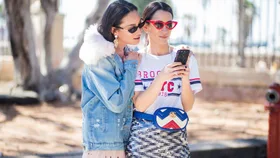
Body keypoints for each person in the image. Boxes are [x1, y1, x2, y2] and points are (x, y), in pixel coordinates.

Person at [126, 1, 202, 158]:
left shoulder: (185, 57)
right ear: (146, 27)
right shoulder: (137, 59)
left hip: (176, 138)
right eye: (159, 24)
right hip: (143, 139)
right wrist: (162, 77)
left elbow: (187, 106)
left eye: (169, 24)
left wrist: (185, 78)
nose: (165, 29)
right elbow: (139, 105)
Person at [79, 0, 143, 157]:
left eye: (140, 25)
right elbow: (117, 102)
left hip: (125, 141)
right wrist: (131, 65)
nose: (139, 31)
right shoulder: (99, 58)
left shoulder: (130, 54)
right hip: (103, 146)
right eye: (132, 28)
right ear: (115, 30)